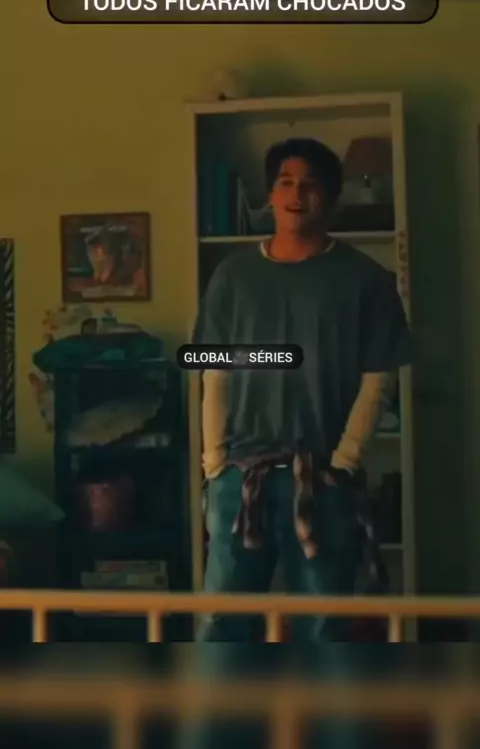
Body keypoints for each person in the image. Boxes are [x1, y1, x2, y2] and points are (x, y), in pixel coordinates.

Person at [189, 137, 412, 747]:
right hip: (242, 480)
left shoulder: (364, 279)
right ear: (269, 194)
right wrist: (214, 464)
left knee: (329, 631)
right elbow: (215, 372)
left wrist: (344, 462)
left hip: (324, 481)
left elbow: (378, 379)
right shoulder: (234, 276)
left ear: (330, 197)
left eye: (310, 182)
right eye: (285, 181)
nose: (296, 193)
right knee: (222, 631)